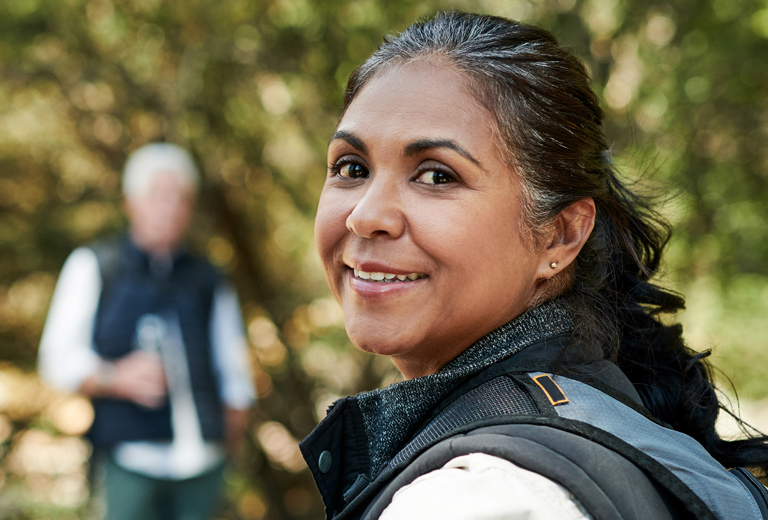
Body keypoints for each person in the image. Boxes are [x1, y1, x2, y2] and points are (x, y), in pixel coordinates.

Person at [300, 11, 768, 520]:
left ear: (561, 235)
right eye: (352, 168)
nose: (367, 215)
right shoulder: (608, 419)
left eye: (436, 176)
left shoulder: (482, 497)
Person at [38, 143, 255, 520]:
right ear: (130, 202)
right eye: (158, 195)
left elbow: (234, 374)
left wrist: (229, 446)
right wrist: (113, 377)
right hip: (129, 463)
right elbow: (56, 359)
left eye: (180, 197)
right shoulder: (95, 265)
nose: (169, 207)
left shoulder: (208, 279)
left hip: (203, 466)